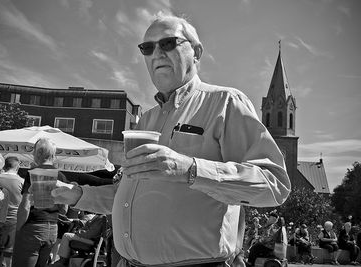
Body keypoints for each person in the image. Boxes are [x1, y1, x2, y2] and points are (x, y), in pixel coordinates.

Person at [51, 12, 290, 267]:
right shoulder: (146, 121)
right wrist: (77, 195)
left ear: (196, 52)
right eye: (147, 47)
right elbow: (130, 197)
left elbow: (273, 184)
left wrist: (190, 169)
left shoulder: (225, 103)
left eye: (168, 43)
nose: (157, 53)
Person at [12, 138, 68, 267]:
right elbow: (64, 209)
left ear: (38, 153)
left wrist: (18, 229)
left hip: (33, 227)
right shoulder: (60, 176)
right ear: (53, 155)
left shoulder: (33, 174)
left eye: (33, 152)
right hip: (52, 229)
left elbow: (25, 206)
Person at [0, 156, 25, 267]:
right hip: (14, 219)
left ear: (4, 166)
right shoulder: (22, 182)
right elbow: (26, 204)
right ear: (18, 167)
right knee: (9, 251)